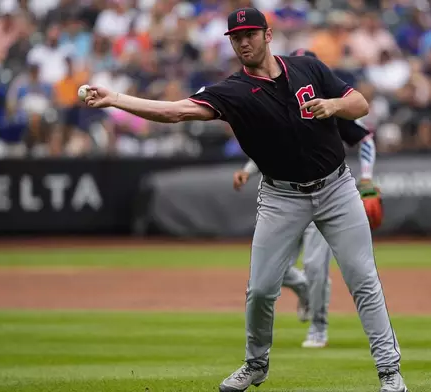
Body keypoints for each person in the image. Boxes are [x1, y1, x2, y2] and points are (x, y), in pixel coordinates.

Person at [83, 8, 407, 392]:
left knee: (363, 280)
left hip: (336, 188)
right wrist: (115, 98)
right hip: (281, 196)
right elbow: (175, 112)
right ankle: (256, 364)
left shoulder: (307, 68)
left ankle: (390, 373)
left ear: (268, 35)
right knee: (261, 289)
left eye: (250, 33)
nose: (243, 42)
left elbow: (360, 105)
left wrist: (333, 106)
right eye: (236, 37)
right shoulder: (233, 91)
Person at [232, 48, 381, 351]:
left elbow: (364, 135)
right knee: (277, 271)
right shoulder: (275, 99)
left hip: (324, 193)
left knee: (315, 265)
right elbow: (274, 145)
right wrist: (249, 170)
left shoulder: (324, 101)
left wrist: (366, 178)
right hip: (284, 197)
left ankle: (318, 326)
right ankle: (302, 290)